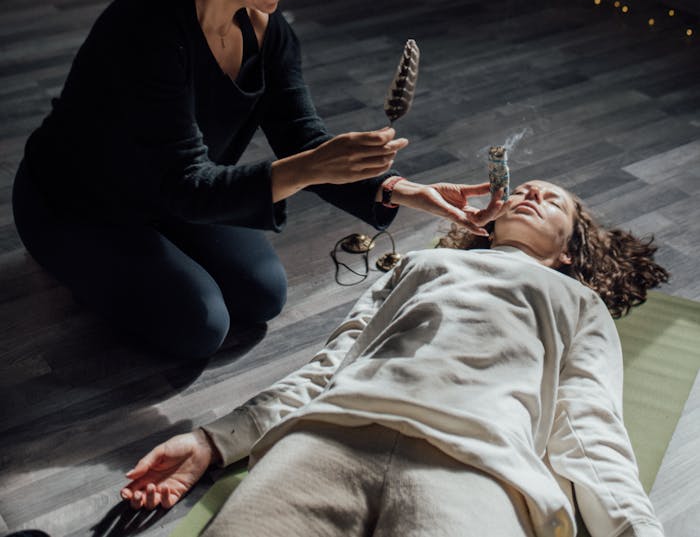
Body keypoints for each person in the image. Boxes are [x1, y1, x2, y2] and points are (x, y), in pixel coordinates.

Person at [12, 0, 490, 361]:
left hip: (174, 192)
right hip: (78, 202)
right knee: (199, 324)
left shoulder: (270, 33)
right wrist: (308, 168)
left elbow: (302, 136)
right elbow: (191, 183)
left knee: (263, 294)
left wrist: (399, 189)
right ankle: (78, 262)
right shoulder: (146, 30)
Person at [120, 180, 669, 537]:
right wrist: (212, 441)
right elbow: (331, 363)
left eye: (550, 200)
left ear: (569, 249)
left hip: (477, 465)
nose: (529, 194)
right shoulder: (424, 267)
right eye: (524, 188)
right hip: (333, 437)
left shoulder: (578, 301)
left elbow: (589, 423)